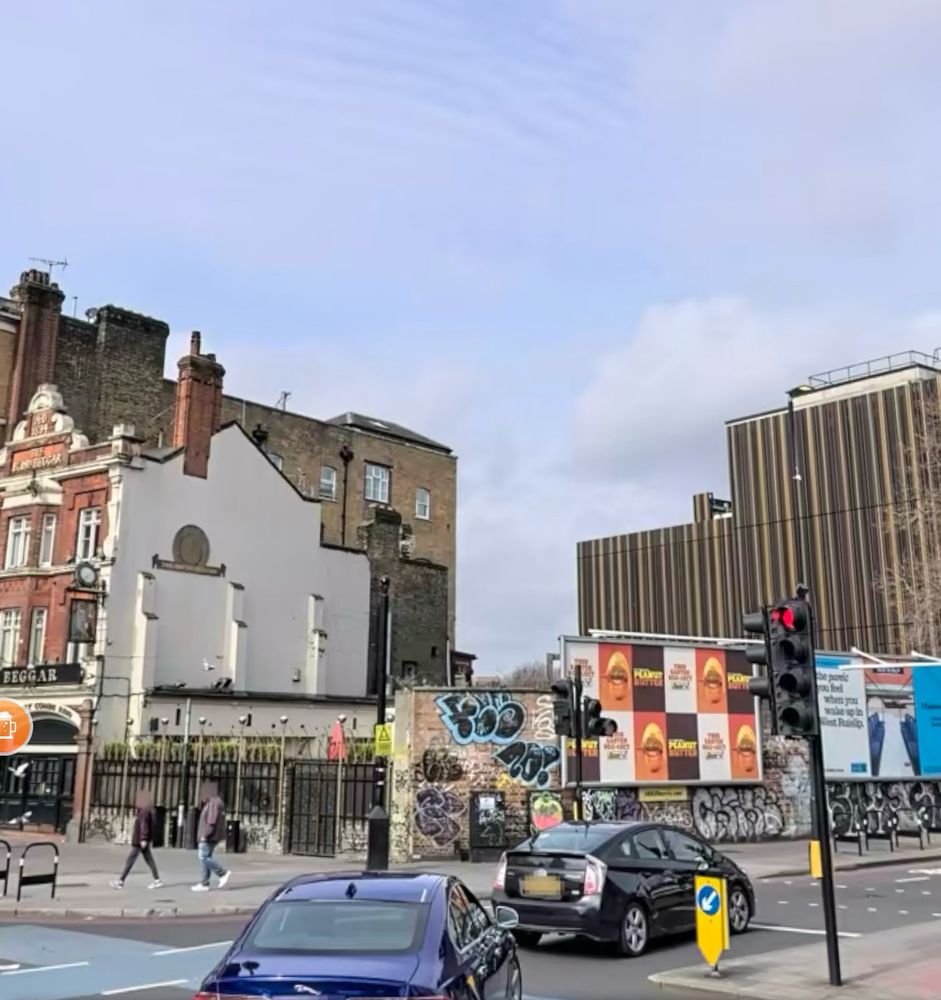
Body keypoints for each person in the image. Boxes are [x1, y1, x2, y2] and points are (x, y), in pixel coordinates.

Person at [110, 789, 162, 889]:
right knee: (149, 859)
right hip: (142, 840)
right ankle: (157, 880)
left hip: (139, 841)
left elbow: (144, 826)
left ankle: (121, 881)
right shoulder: (146, 811)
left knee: (130, 860)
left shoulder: (143, 812)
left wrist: (143, 838)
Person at [192, 781, 230, 892]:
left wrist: (204, 835)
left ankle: (222, 873)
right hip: (213, 836)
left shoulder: (213, 803)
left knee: (203, 857)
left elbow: (211, 821)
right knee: (205, 858)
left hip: (209, 836)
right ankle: (204, 883)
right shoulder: (216, 802)